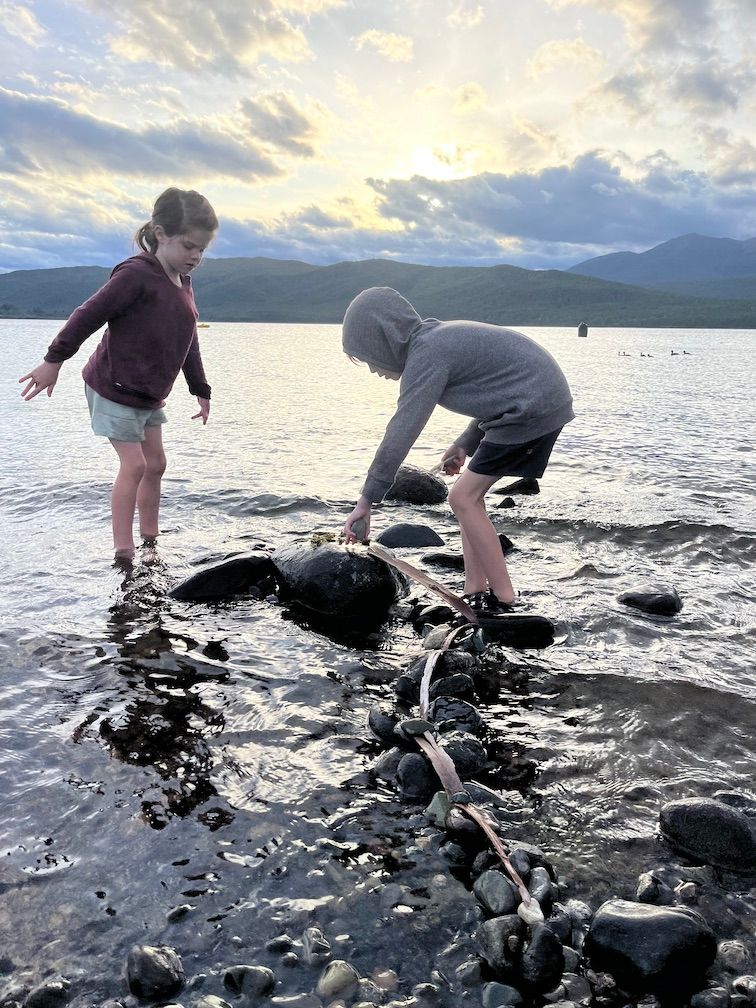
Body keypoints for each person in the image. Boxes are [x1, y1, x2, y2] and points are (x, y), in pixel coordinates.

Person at [341, 287, 575, 614]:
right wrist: (465, 443)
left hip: (533, 409)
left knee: (461, 498)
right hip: (533, 402)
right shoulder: (434, 340)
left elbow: (402, 429)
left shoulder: (426, 355)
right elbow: (496, 389)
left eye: (368, 357)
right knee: (470, 498)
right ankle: (475, 588)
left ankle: (505, 600)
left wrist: (365, 501)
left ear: (383, 337)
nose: (373, 369)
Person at [19, 187, 218, 562]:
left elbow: (188, 337)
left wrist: (200, 387)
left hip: (148, 392)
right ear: (160, 234)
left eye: (202, 250)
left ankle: (150, 540)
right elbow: (88, 314)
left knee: (157, 464)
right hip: (113, 387)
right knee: (136, 464)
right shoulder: (136, 275)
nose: (196, 257)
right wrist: (53, 360)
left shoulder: (183, 282)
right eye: (189, 246)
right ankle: (123, 552)